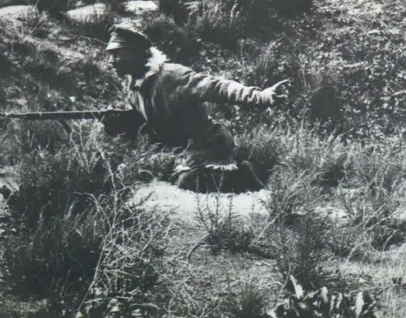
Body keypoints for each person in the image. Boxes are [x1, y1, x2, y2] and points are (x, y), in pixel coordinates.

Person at [102, 25, 288, 193]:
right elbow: (150, 124)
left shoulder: (172, 76)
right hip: (177, 149)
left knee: (186, 182)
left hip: (207, 145)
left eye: (117, 53)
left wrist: (261, 96)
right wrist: (125, 124)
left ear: (136, 54)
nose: (111, 61)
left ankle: (240, 176)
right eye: (110, 54)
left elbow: (218, 87)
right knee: (138, 172)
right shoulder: (134, 87)